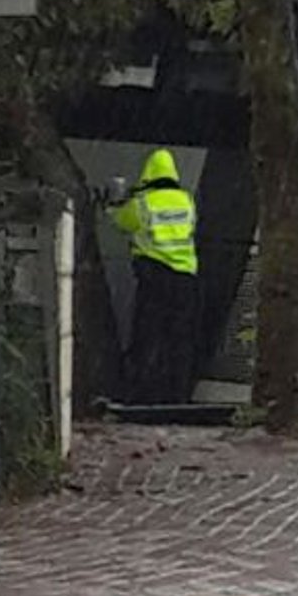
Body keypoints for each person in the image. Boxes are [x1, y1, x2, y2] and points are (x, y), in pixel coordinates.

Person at [107, 148, 199, 405]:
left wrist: (115, 203)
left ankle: (142, 394)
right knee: (179, 340)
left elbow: (121, 222)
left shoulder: (144, 203)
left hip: (155, 278)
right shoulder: (187, 201)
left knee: (148, 336)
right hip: (185, 279)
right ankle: (177, 395)